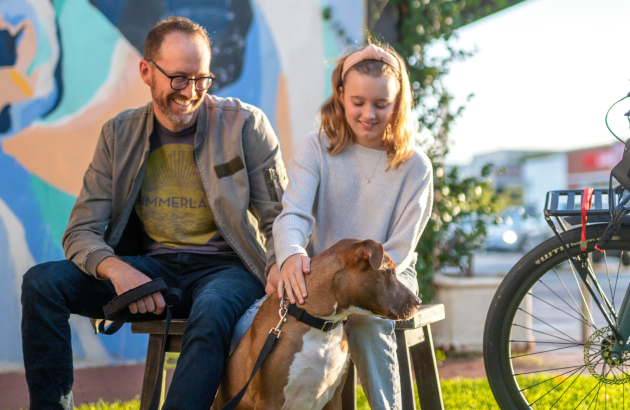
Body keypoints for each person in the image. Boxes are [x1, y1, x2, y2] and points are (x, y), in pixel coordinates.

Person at [20, 16, 284, 410]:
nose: (191, 92)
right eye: (179, 78)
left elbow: (280, 219)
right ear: (147, 71)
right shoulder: (118, 134)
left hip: (228, 273)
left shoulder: (246, 125)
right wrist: (119, 272)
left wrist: (281, 266)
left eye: (201, 79)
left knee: (212, 312)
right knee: (42, 284)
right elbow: (80, 231)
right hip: (151, 272)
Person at [267, 43, 433, 410]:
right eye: (358, 102)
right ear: (340, 95)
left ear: (399, 102)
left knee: (361, 321)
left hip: (388, 278)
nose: (369, 114)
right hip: (329, 280)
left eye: (381, 104)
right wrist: (291, 254)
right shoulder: (315, 149)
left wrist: (361, 290)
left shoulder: (415, 166)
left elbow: (401, 250)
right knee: (265, 313)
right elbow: (293, 214)